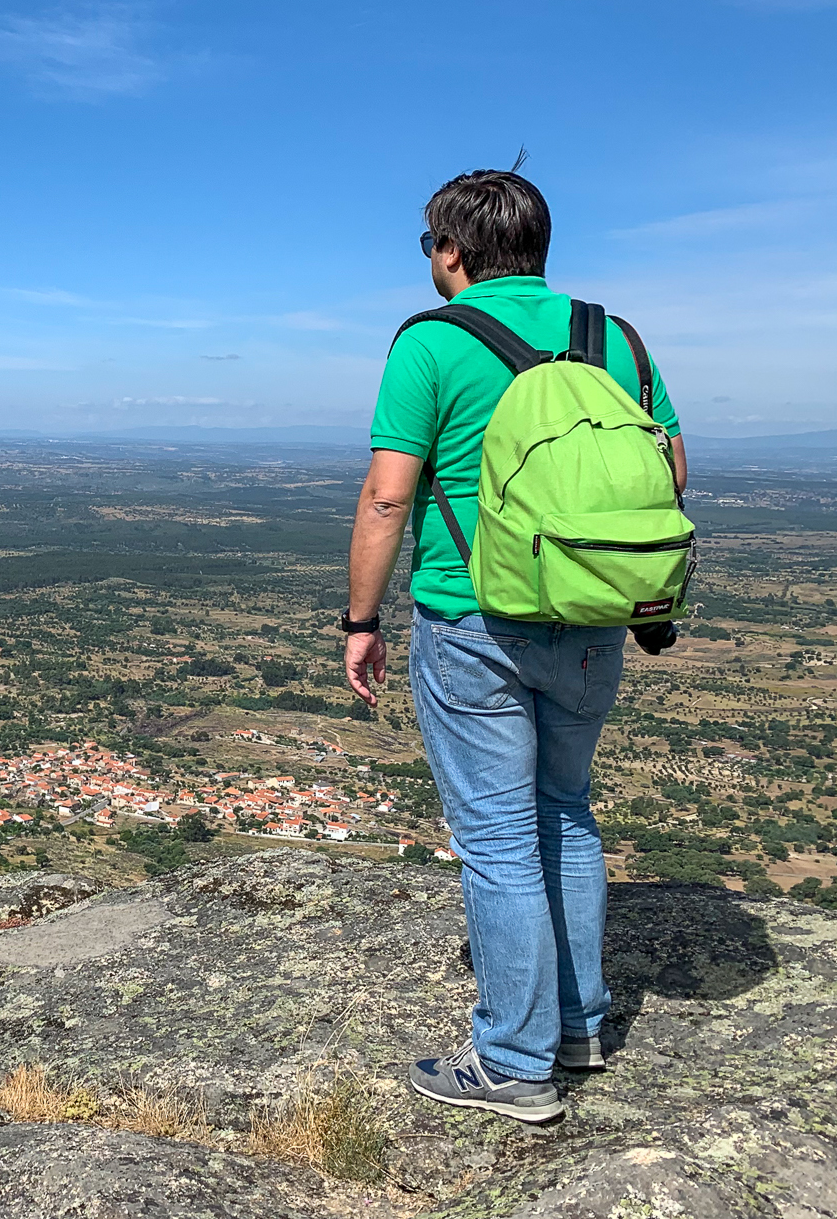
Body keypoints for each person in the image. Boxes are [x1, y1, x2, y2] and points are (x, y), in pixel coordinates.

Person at [341, 169, 686, 1123]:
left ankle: (514, 1061)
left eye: (429, 248)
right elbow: (671, 470)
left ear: (452, 251)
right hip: (589, 620)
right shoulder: (612, 337)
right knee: (565, 812)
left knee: (496, 840)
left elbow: (385, 496)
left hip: (472, 619)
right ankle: (577, 1026)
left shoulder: (432, 342)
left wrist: (361, 623)